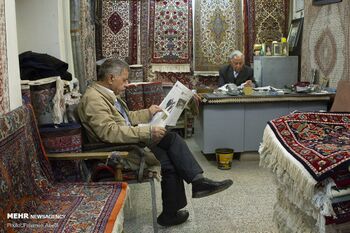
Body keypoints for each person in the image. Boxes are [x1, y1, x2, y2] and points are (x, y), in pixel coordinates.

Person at [78, 58, 233, 227]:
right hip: (118, 151)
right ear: (110, 78)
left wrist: (148, 112)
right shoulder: (94, 99)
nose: (127, 84)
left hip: (128, 142)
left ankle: (193, 187)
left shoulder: (106, 95)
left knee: (171, 141)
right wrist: (147, 131)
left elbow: (126, 119)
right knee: (170, 156)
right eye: (124, 80)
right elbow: (109, 132)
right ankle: (189, 191)